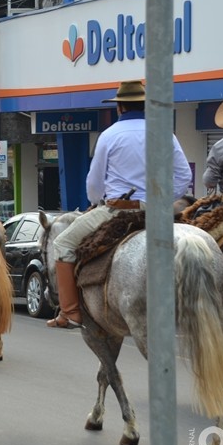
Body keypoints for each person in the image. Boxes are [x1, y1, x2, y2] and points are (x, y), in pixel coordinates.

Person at [47, 79, 193, 328]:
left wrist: (96, 200)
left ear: (120, 107)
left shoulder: (109, 135)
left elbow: (94, 183)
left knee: (62, 243)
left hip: (117, 211)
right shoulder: (164, 132)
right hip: (156, 212)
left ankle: (70, 312)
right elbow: (184, 177)